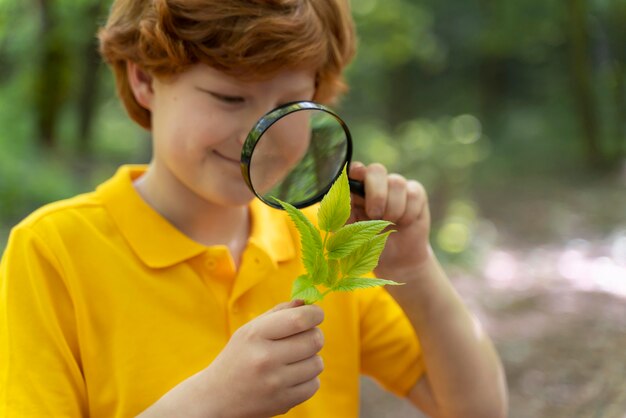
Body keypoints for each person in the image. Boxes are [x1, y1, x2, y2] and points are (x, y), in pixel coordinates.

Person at [0, 1, 508, 417]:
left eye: (289, 104)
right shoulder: (54, 252)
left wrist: (415, 271)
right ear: (145, 81)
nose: (257, 137)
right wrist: (210, 403)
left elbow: (477, 410)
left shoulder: (326, 246)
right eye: (228, 98)